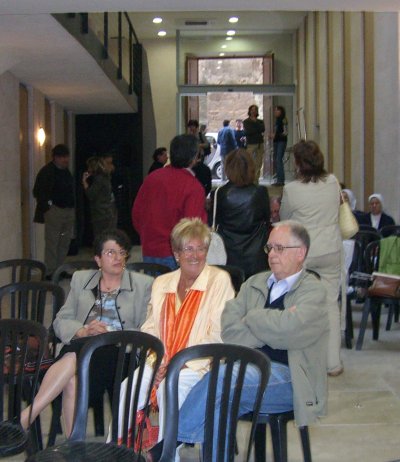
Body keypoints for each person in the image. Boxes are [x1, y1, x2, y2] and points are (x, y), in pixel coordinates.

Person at [148, 221, 328, 461]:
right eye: (269, 248)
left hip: (291, 379)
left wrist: (252, 317)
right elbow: (230, 331)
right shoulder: (254, 283)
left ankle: (167, 446)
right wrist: (274, 326)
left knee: (221, 379)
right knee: (219, 398)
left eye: (280, 248)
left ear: (301, 253)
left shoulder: (314, 291)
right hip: (246, 373)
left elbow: (291, 330)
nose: (271, 254)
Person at [20, 229, 153, 436]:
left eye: (121, 252)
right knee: (72, 379)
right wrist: (83, 330)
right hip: (83, 347)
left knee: (75, 358)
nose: (117, 258)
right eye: (110, 253)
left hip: (119, 353)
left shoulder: (143, 284)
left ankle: (27, 417)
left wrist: (109, 332)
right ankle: (74, 447)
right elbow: (61, 320)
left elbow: (147, 328)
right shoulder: (81, 280)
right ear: (98, 259)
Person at [132, 218, 235, 442]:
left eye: (201, 248)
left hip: (201, 364)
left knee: (169, 388)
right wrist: (156, 362)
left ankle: (166, 454)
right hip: (162, 361)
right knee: (130, 388)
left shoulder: (219, 280)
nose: (195, 255)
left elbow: (219, 334)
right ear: (176, 253)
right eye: (188, 249)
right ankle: (120, 449)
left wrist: (177, 364)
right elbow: (149, 329)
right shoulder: (162, 283)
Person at [279, 140, 343, 376]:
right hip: (330, 248)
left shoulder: (292, 189)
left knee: (298, 305)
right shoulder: (333, 182)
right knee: (330, 305)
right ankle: (333, 363)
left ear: (298, 163)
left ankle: (302, 362)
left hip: (303, 252)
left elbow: (285, 218)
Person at [132, 134, 207, 270]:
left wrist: (147, 236)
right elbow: (194, 228)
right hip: (177, 254)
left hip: (149, 250)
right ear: (194, 157)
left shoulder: (152, 178)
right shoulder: (193, 187)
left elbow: (137, 213)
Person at [215, 149, 270, 279]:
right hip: (256, 255)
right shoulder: (260, 192)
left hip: (228, 253)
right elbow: (266, 220)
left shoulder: (221, 193)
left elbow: (217, 221)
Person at [33, 144, 75, 278]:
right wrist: (49, 206)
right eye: (62, 157)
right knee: (52, 242)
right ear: (55, 158)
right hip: (55, 211)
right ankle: (50, 272)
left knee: (64, 242)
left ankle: (60, 269)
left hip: (68, 211)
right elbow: (37, 191)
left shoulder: (66, 171)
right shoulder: (47, 171)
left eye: (67, 157)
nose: (65, 160)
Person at [82, 155, 117, 241]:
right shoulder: (106, 177)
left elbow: (91, 194)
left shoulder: (99, 179)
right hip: (109, 211)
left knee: (100, 237)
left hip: (100, 213)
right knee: (108, 237)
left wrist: (84, 182)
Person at [243, 104, 265, 182]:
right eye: (252, 110)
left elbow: (262, 129)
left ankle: (256, 180)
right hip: (251, 143)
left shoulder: (260, 121)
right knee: (249, 161)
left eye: (255, 110)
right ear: (249, 111)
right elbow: (249, 131)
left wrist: (255, 128)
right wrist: (257, 129)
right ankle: (249, 179)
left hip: (260, 143)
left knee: (259, 162)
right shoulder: (246, 122)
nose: (253, 111)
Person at [271, 105, 288, 186]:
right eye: (275, 110)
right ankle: (278, 178)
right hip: (276, 141)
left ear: (281, 111)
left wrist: (275, 135)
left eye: (277, 110)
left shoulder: (283, 119)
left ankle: (281, 180)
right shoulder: (277, 120)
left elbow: (285, 132)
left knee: (278, 159)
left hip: (281, 141)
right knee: (276, 159)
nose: (275, 112)